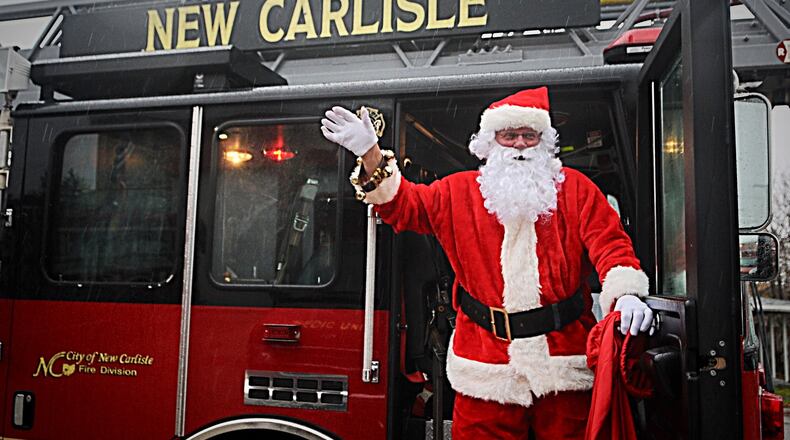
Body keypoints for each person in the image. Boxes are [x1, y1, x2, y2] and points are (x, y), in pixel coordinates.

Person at [321, 87, 653, 440]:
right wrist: (370, 154)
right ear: (490, 142)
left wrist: (625, 293)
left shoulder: (577, 190)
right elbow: (403, 206)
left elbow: (611, 245)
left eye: (529, 135)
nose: (520, 144)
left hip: (564, 362)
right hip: (485, 366)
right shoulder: (457, 191)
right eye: (509, 135)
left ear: (544, 142)